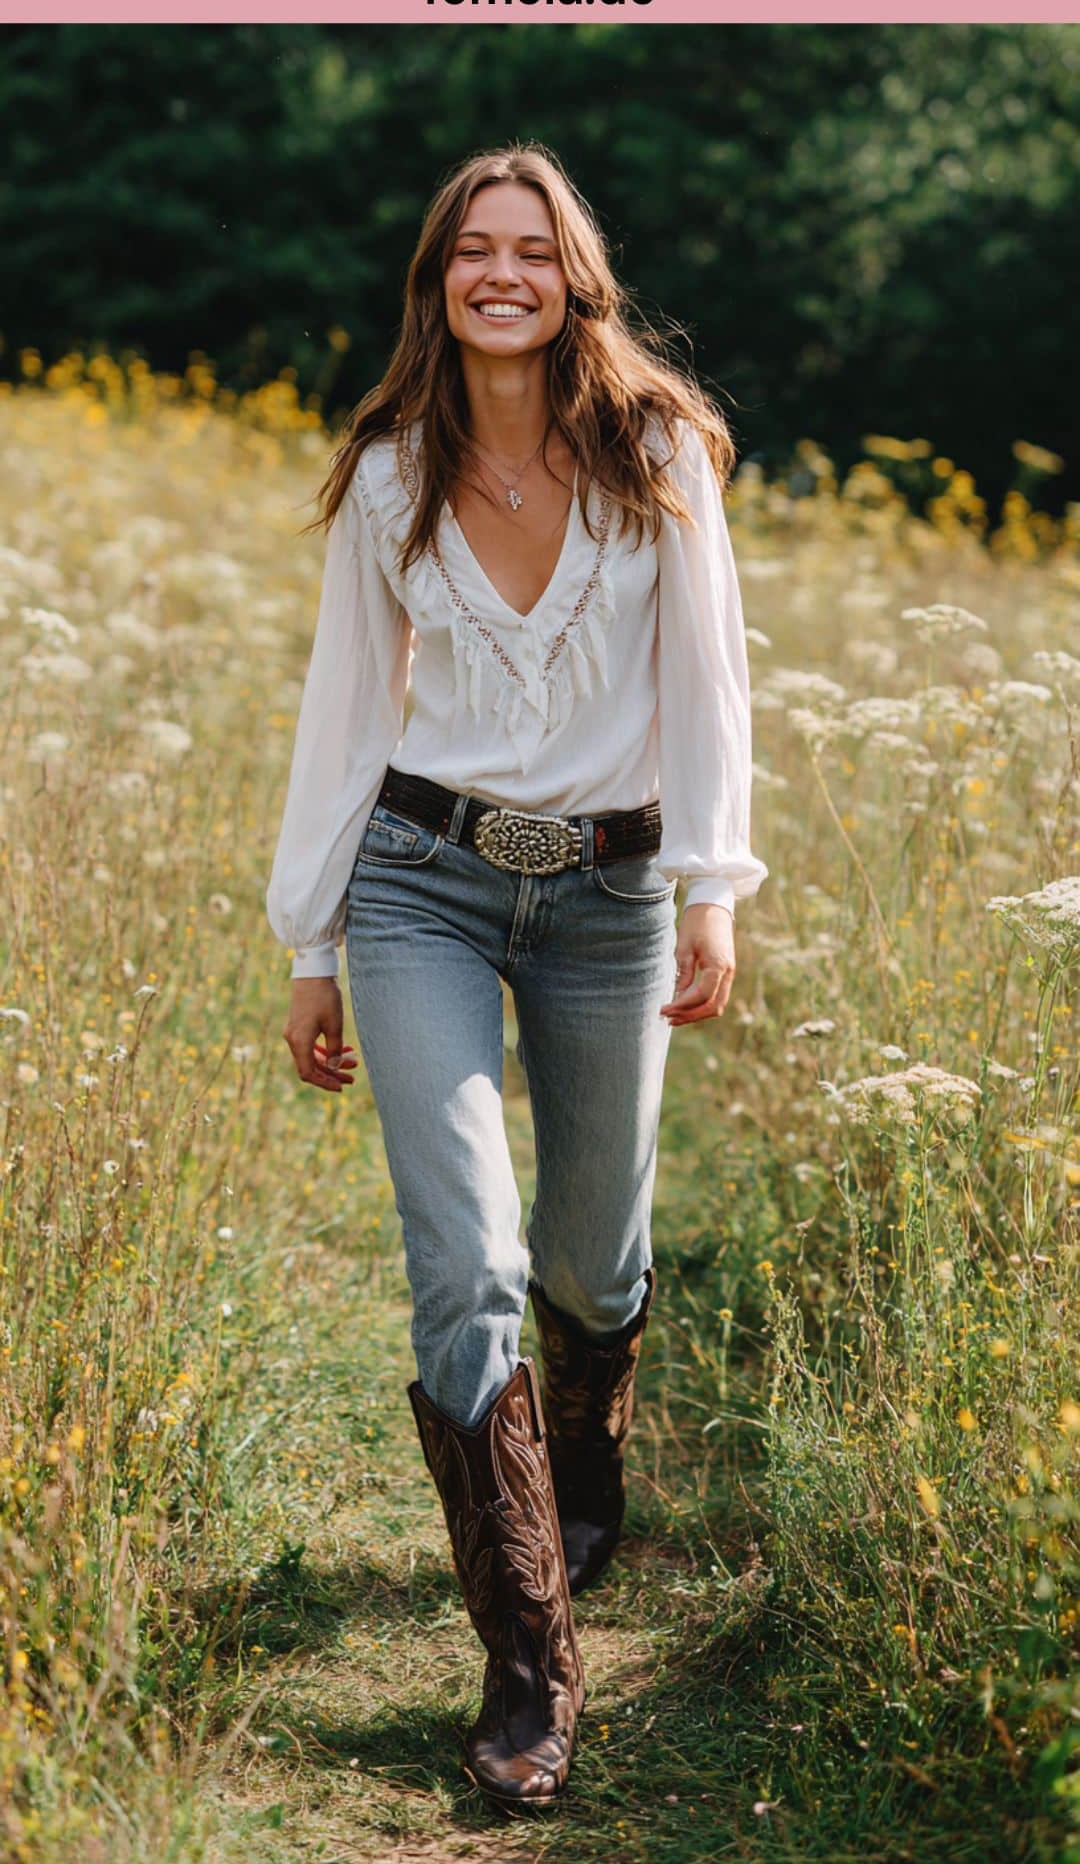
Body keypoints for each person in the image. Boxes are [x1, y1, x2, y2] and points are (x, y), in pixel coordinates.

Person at [265, 141, 768, 1811]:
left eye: (531, 251)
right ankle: (530, 1657)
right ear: (441, 276)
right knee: (467, 1254)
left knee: (593, 1244)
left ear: (573, 280)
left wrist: (711, 886)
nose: (502, 273)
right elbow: (345, 713)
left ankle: (589, 1444)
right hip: (422, 884)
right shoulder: (395, 469)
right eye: (474, 248)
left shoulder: (659, 452)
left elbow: (710, 685)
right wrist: (312, 939)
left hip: (615, 896)